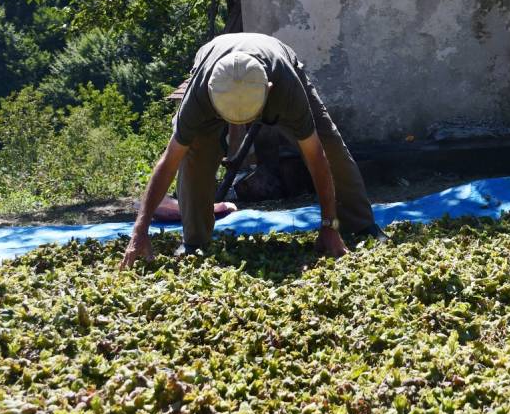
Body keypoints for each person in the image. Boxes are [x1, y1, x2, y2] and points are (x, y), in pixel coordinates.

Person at [120, 33, 381, 268]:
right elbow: (168, 162)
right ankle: (195, 242)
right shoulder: (201, 94)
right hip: (212, 64)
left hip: (277, 59)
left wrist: (328, 225)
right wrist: (140, 231)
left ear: (268, 92)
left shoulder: (287, 89)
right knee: (194, 152)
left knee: (328, 142)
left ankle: (360, 225)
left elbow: (317, 157)